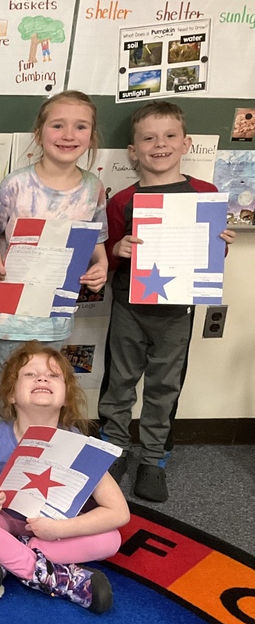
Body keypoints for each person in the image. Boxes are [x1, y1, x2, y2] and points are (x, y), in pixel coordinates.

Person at [98, 101, 235, 502]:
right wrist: (116, 249)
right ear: (133, 150)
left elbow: (210, 258)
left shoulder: (205, 194)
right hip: (128, 305)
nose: (160, 145)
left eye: (170, 136)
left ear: (186, 142)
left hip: (177, 310)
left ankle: (154, 458)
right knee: (119, 382)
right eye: (149, 138)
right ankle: (113, 448)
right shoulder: (122, 199)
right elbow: (106, 254)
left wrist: (219, 245)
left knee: (165, 386)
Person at [0, 342, 129, 613]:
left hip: (53, 529)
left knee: (111, 539)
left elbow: (118, 512)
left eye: (53, 375)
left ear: (66, 395)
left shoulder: (80, 445)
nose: (42, 378)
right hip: (4, 521)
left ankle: (5, 559)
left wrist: (59, 530)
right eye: (30, 374)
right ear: (11, 394)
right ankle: (50, 575)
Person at [0, 90, 108, 439]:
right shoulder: (17, 183)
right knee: (3, 389)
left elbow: (97, 240)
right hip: (9, 312)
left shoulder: (93, 189)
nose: (68, 135)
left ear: (91, 137)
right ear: (39, 131)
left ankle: (30, 459)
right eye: (58, 125)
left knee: (41, 388)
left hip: (54, 311)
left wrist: (101, 265)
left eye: (80, 127)